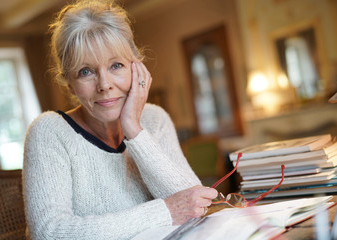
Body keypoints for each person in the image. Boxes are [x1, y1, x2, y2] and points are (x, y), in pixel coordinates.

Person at [22, 0, 218, 239]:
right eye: (86, 71)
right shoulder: (49, 131)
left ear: (136, 68)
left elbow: (196, 204)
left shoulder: (155, 119)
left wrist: (134, 130)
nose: (105, 85)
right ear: (70, 84)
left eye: (116, 65)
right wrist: (164, 211)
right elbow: (48, 233)